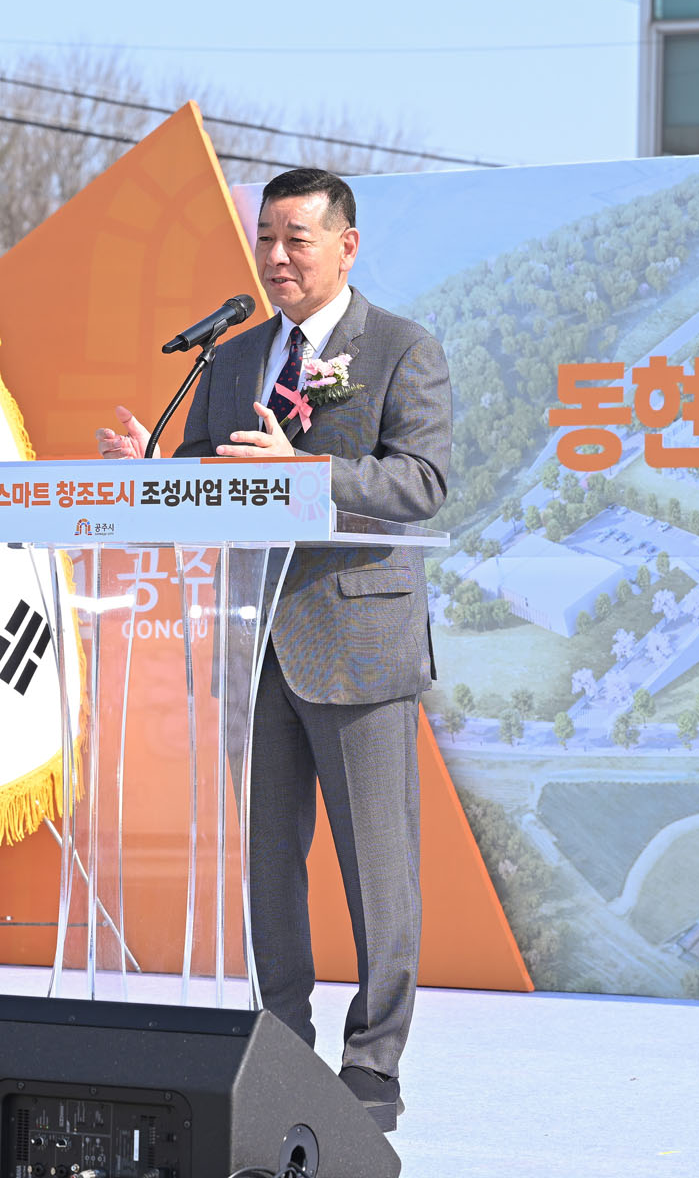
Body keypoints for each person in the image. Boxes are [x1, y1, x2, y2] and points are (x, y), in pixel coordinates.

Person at [97, 167, 450, 1132]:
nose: (278, 257)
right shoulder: (236, 356)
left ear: (346, 245)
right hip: (249, 639)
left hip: (359, 638)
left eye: (297, 238)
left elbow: (421, 482)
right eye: (266, 238)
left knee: (378, 866)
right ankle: (281, 1044)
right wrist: (149, 474)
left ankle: (373, 1063)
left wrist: (308, 470)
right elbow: (204, 481)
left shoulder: (401, 349)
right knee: (267, 864)